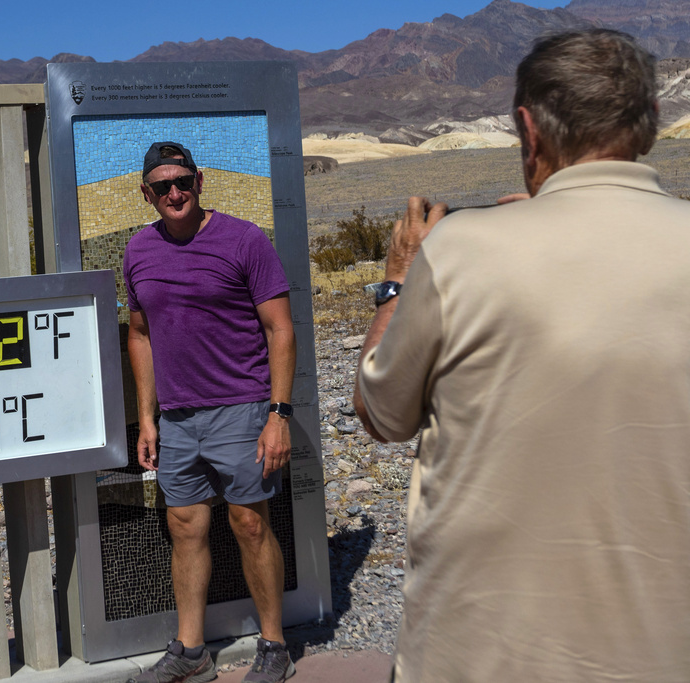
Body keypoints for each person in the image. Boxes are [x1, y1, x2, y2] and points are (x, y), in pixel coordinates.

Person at [354, 29, 690, 682]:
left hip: (478, 656)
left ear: (529, 131)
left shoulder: (462, 252)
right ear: (650, 123)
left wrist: (397, 282)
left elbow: (379, 412)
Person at [123, 142, 296, 683]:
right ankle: (192, 652)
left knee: (249, 523)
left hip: (242, 409)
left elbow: (280, 329)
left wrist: (279, 414)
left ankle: (274, 647)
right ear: (146, 193)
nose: (175, 193)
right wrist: (147, 417)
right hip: (176, 418)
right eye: (162, 186)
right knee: (184, 527)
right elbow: (140, 334)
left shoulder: (244, 240)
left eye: (183, 182)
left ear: (200, 182)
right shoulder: (138, 251)